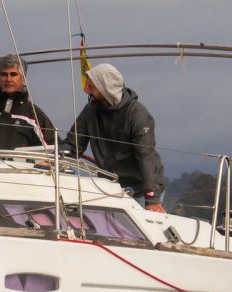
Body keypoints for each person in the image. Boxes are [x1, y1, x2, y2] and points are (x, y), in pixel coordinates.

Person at [64, 63, 166, 212]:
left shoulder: (138, 115)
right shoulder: (90, 111)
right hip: (110, 189)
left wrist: (152, 199)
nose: (86, 90)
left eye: (91, 87)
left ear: (105, 88)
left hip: (142, 191)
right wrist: (52, 160)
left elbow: (146, 157)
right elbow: (73, 145)